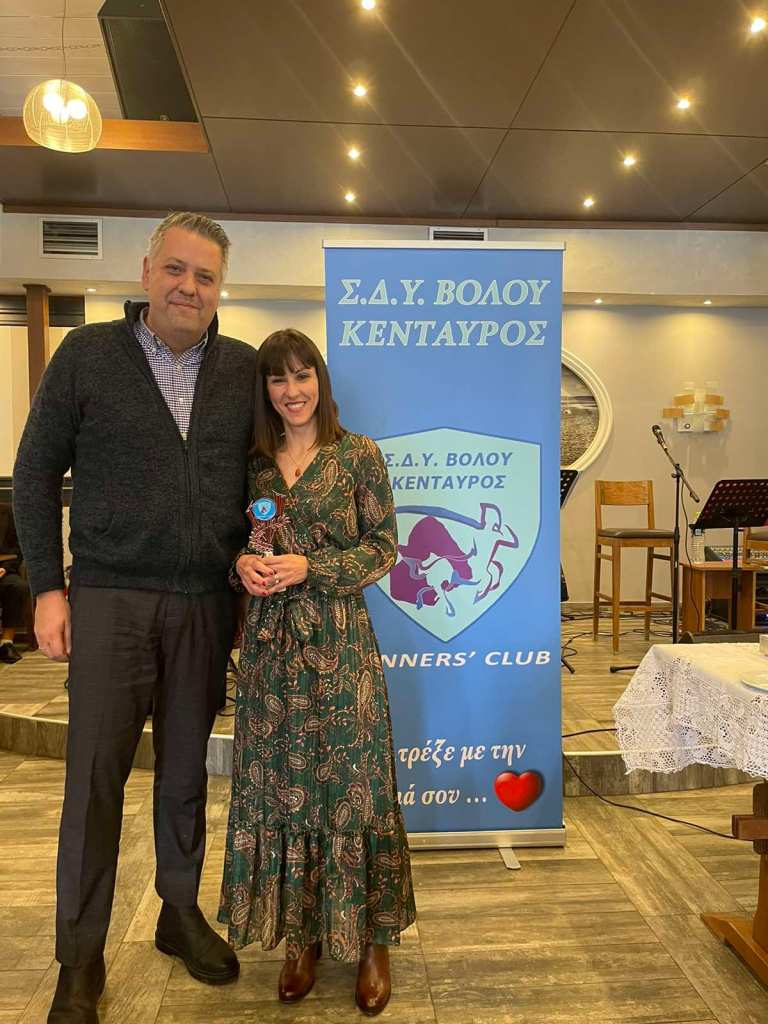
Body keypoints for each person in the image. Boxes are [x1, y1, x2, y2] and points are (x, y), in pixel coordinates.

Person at [13, 212, 258, 1023]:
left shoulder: (242, 369)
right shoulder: (88, 355)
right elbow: (35, 471)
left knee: (186, 775)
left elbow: (265, 478)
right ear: (147, 272)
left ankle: (178, 913)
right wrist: (47, 588)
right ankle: (80, 956)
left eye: (206, 276)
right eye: (176, 270)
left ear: (220, 288)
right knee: (94, 782)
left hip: (204, 604)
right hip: (110, 598)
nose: (189, 287)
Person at [218, 328, 415, 1017]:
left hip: (340, 641)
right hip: (271, 651)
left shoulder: (358, 454)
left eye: (303, 376)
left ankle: (372, 942)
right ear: (265, 390)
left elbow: (385, 546)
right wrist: (243, 565)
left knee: (354, 787)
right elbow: (236, 543)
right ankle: (300, 938)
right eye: (278, 379)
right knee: (283, 788)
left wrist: (315, 567)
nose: (292, 390)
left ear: (320, 382)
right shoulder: (254, 464)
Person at [0, 503, 31, 663]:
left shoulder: (8, 513)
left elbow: (17, 549)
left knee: (17, 586)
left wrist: (5, 568)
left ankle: (6, 643)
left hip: (3, 571)